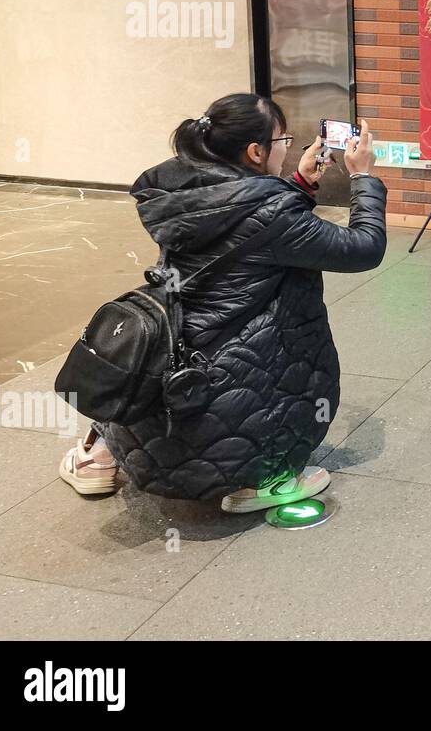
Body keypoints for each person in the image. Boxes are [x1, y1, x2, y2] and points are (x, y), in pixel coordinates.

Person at [58, 94, 387, 512]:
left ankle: (98, 455)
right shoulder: (272, 212)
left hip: (164, 363)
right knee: (282, 359)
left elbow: (248, 223)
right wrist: (363, 179)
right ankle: (262, 480)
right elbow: (363, 248)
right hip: (237, 385)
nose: (288, 147)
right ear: (255, 152)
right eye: (282, 139)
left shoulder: (180, 189)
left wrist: (300, 185)